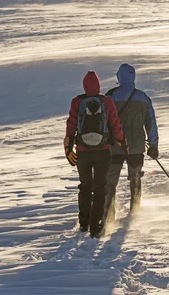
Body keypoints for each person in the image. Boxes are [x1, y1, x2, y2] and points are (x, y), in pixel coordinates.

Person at [64, 71, 126, 238]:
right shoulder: (106, 102)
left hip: (83, 153)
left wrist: (68, 148)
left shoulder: (77, 102)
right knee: (100, 189)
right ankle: (96, 225)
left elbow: (71, 125)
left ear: (84, 86)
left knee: (85, 187)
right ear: (99, 86)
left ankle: (83, 223)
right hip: (103, 151)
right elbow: (115, 123)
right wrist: (122, 141)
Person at [103, 64, 159, 226]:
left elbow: (104, 122)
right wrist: (153, 145)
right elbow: (151, 123)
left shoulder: (111, 97)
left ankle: (108, 215)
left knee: (111, 181)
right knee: (135, 178)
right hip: (136, 147)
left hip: (115, 147)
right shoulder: (143, 98)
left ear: (119, 77)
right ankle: (135, 213)